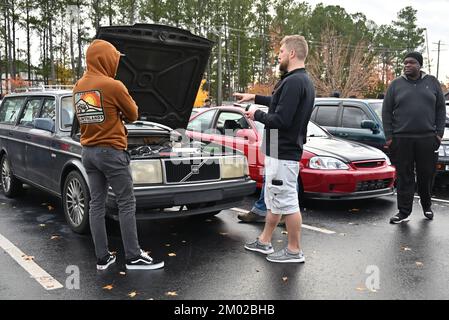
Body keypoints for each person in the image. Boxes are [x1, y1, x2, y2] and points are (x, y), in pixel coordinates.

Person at [73, 39, 164, 270]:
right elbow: (133, 114)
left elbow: (90, 117)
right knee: (126, 203)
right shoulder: (113, 85)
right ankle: (133, 257)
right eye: (115, 58)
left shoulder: (78, 87)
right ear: (106, 59)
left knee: (96, 204)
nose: (116, 63)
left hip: (88, 153)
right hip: (111, 153)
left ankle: (102, 258)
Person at [233, 35, 315, 263]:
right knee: (274, 198)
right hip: (278, 151)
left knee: (287, 201)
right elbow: (279, 102)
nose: (278, 55)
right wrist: (255, 97)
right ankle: (265, 241)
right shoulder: (297, 80)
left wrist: (255, 114)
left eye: (280, 51)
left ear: (291, 53)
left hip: (284, 152)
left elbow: (281, 119)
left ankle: (294, 250)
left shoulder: (295, 82)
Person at [382, 51, 446, 224]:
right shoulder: (396, 84)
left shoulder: (432, 83)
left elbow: (441, 109)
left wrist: (439, 134)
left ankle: (426, 206)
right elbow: (386, 111)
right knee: (404, 176)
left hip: (427, 138)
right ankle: (403, 212)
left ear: (420, 65)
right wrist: (389, 137)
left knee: (426, 174)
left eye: (411, 63)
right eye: (405, 63)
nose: (407, 65)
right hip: (402, 139)